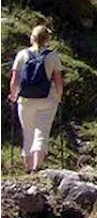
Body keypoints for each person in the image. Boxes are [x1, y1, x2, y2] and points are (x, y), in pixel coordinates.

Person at [8, 25, 64, 174]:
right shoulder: (53, 56)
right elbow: (58, 81)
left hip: (25, 100)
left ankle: (27, 168)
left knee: (28, 133)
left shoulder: (22, 55)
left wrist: (14, 95)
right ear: (48, 39)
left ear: (32, 37)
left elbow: (14, 79)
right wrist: (58, 97)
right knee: (42, 132)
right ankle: (36, 167)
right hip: (47, 100)